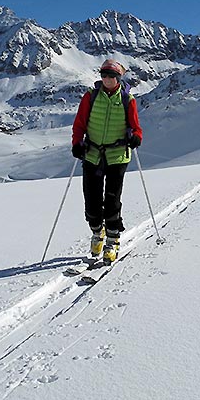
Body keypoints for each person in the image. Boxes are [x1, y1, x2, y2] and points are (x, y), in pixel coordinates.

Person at [71, 59, 143, 265]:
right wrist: (77, 143)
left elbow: (136, 127)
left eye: (111, 76)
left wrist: (136, 137)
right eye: (104, 75)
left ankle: (112, 241)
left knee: (112, 199)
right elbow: (79, 124)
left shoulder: (128, 99)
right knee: (92, 201)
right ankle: (97, 232)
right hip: (92, 153)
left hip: (117, 155)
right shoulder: (90, 97)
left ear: (118, 78)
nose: (107, 79)